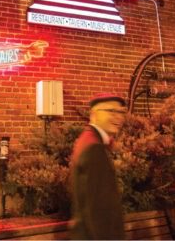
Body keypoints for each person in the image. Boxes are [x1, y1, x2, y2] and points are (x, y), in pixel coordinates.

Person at [70, 93, 127, 240]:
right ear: (94, 115)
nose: (118, 117)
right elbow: (97, 210)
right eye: (111, 111)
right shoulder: (94, 148)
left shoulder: (90, 140)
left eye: (121, 112)